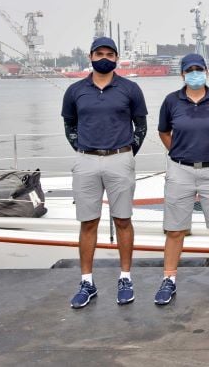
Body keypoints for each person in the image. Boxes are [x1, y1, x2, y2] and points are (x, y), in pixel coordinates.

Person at [61, 36, 148, 308]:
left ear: (116, 58)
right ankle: (87, 281)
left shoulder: (130, 89)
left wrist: (126, 153)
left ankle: (125, 277)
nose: (104, 58)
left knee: (123, 219)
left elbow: (141, 126)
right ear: (90, 56)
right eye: (99, 53)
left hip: (120, 159)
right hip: (86, 160)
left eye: (109, 54)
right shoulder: (75, 90)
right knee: (88, 222)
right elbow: (69, 125)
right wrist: (84, 149)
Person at [153, 53, 209, 305]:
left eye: (199, 69)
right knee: (174, 229)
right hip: (180, 170)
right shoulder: (171, 101)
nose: (194, 73)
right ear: (182, 74)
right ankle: (169, 279)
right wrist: (180, 151)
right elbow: (163, 131)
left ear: (206, 71)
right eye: (189, 70)